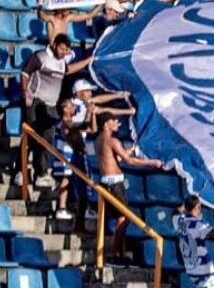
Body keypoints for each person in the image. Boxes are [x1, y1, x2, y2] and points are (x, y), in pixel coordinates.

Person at [20, 34, 93, 186]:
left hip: (51, 104)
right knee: (31, 136)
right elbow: (25, 74)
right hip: (35, 101)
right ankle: (20, 170)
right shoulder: (40, 56)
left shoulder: (61, 62)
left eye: (66, 50)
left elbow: (69, 69)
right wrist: (25, 93)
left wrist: (87, 61)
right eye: (61, 49)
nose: (63, 52)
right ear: (54, 45)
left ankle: (41, 173)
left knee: (47, 138)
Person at [96, 114, 162, 263]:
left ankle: (121, 254)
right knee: (123, 218)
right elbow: (130, 162)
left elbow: (111, 160)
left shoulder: (99, 140)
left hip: (107, 182)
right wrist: (151, 162)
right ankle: (114, 254)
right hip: (114, 184)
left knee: (123, 218)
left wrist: (126, 152)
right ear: (106, 124)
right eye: (114, 120)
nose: (117, 123)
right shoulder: (112, 141)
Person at [51, 99, 89, 221]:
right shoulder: (65, 122)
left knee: (69, 179)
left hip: (68, 153)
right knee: (65, 179)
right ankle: (62, 208)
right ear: (65, 109)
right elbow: (78, 130)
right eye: (71, 106)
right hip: (65, 153)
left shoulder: (68, 121)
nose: (74, 107)